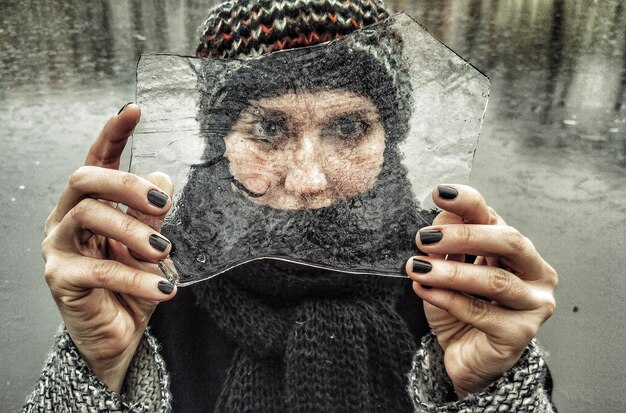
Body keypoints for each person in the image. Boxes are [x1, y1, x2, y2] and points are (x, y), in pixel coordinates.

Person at [24, 1, 558, 412]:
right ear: (220, 140)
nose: (308, 181)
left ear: (389, 138)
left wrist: (490, 385)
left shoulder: (452, 282)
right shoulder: (146, 278)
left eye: (348, 128)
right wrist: (97, 367)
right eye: (267, 129)